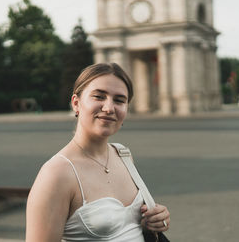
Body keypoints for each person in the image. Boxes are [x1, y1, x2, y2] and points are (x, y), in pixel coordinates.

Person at [26, 63, 170, 242]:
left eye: (119, 100)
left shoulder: (124, 155)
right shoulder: (56, 173)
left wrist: (151, 222)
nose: (109, 108)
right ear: (76, 103)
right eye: (99, 96)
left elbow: (124, 228)